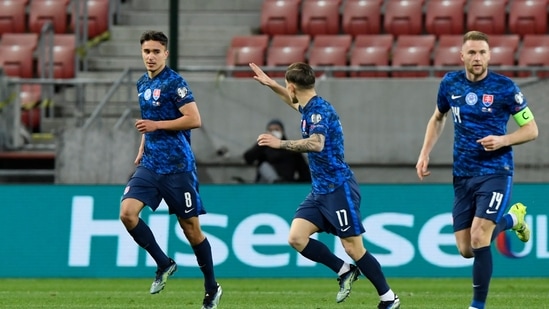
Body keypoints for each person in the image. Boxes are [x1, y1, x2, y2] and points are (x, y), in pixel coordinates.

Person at [249, 62, 400, 309]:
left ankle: (388, 297)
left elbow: (317, 143)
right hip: (320, 190)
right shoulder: (309, 106)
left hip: (338, 188)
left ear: (293, 86)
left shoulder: (318, 112)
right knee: (297, 238)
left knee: (353, 248)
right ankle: (344, 271)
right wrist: (273, 86)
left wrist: (280, 143)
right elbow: (293, 102)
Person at [415, 30, 538, 309]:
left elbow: (531, 129)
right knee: (467, 249)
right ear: (462, 56)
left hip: (496, 170)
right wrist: (424, 153)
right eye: (471, 52)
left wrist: (503, 140)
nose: (477, 57)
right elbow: (437, 119)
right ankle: (513, 220)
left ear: (490, 55)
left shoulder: (505, 88)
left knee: (480, 235)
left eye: (482, 52)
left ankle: (477, 306)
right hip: (463, 174)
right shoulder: (450, 84)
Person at [119, 30, 222, 309]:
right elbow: (149, 120)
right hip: (151, 164)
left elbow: (194, 119)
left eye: (155, 51)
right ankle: (164, 263)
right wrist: (143, 143)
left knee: (191, 230)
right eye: (146, 52)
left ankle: (211, 287)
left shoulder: (175, 83)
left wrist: (156, 127)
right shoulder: (142, 83)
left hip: (178, 167)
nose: (150, 57)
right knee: (127, 214)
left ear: (166, 53)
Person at [243, 119, 312, 183]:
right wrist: (262, 142)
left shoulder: (291, 150)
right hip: (266, 185)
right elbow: (248, 158)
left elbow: (304, 173)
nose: (273, 132)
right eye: (270, 130)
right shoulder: (263, 149)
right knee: (264, 166)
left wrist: (295, 184)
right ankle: (276, 181)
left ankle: (278, 182)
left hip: (286, 184)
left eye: (276, 129)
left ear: (282, 131)